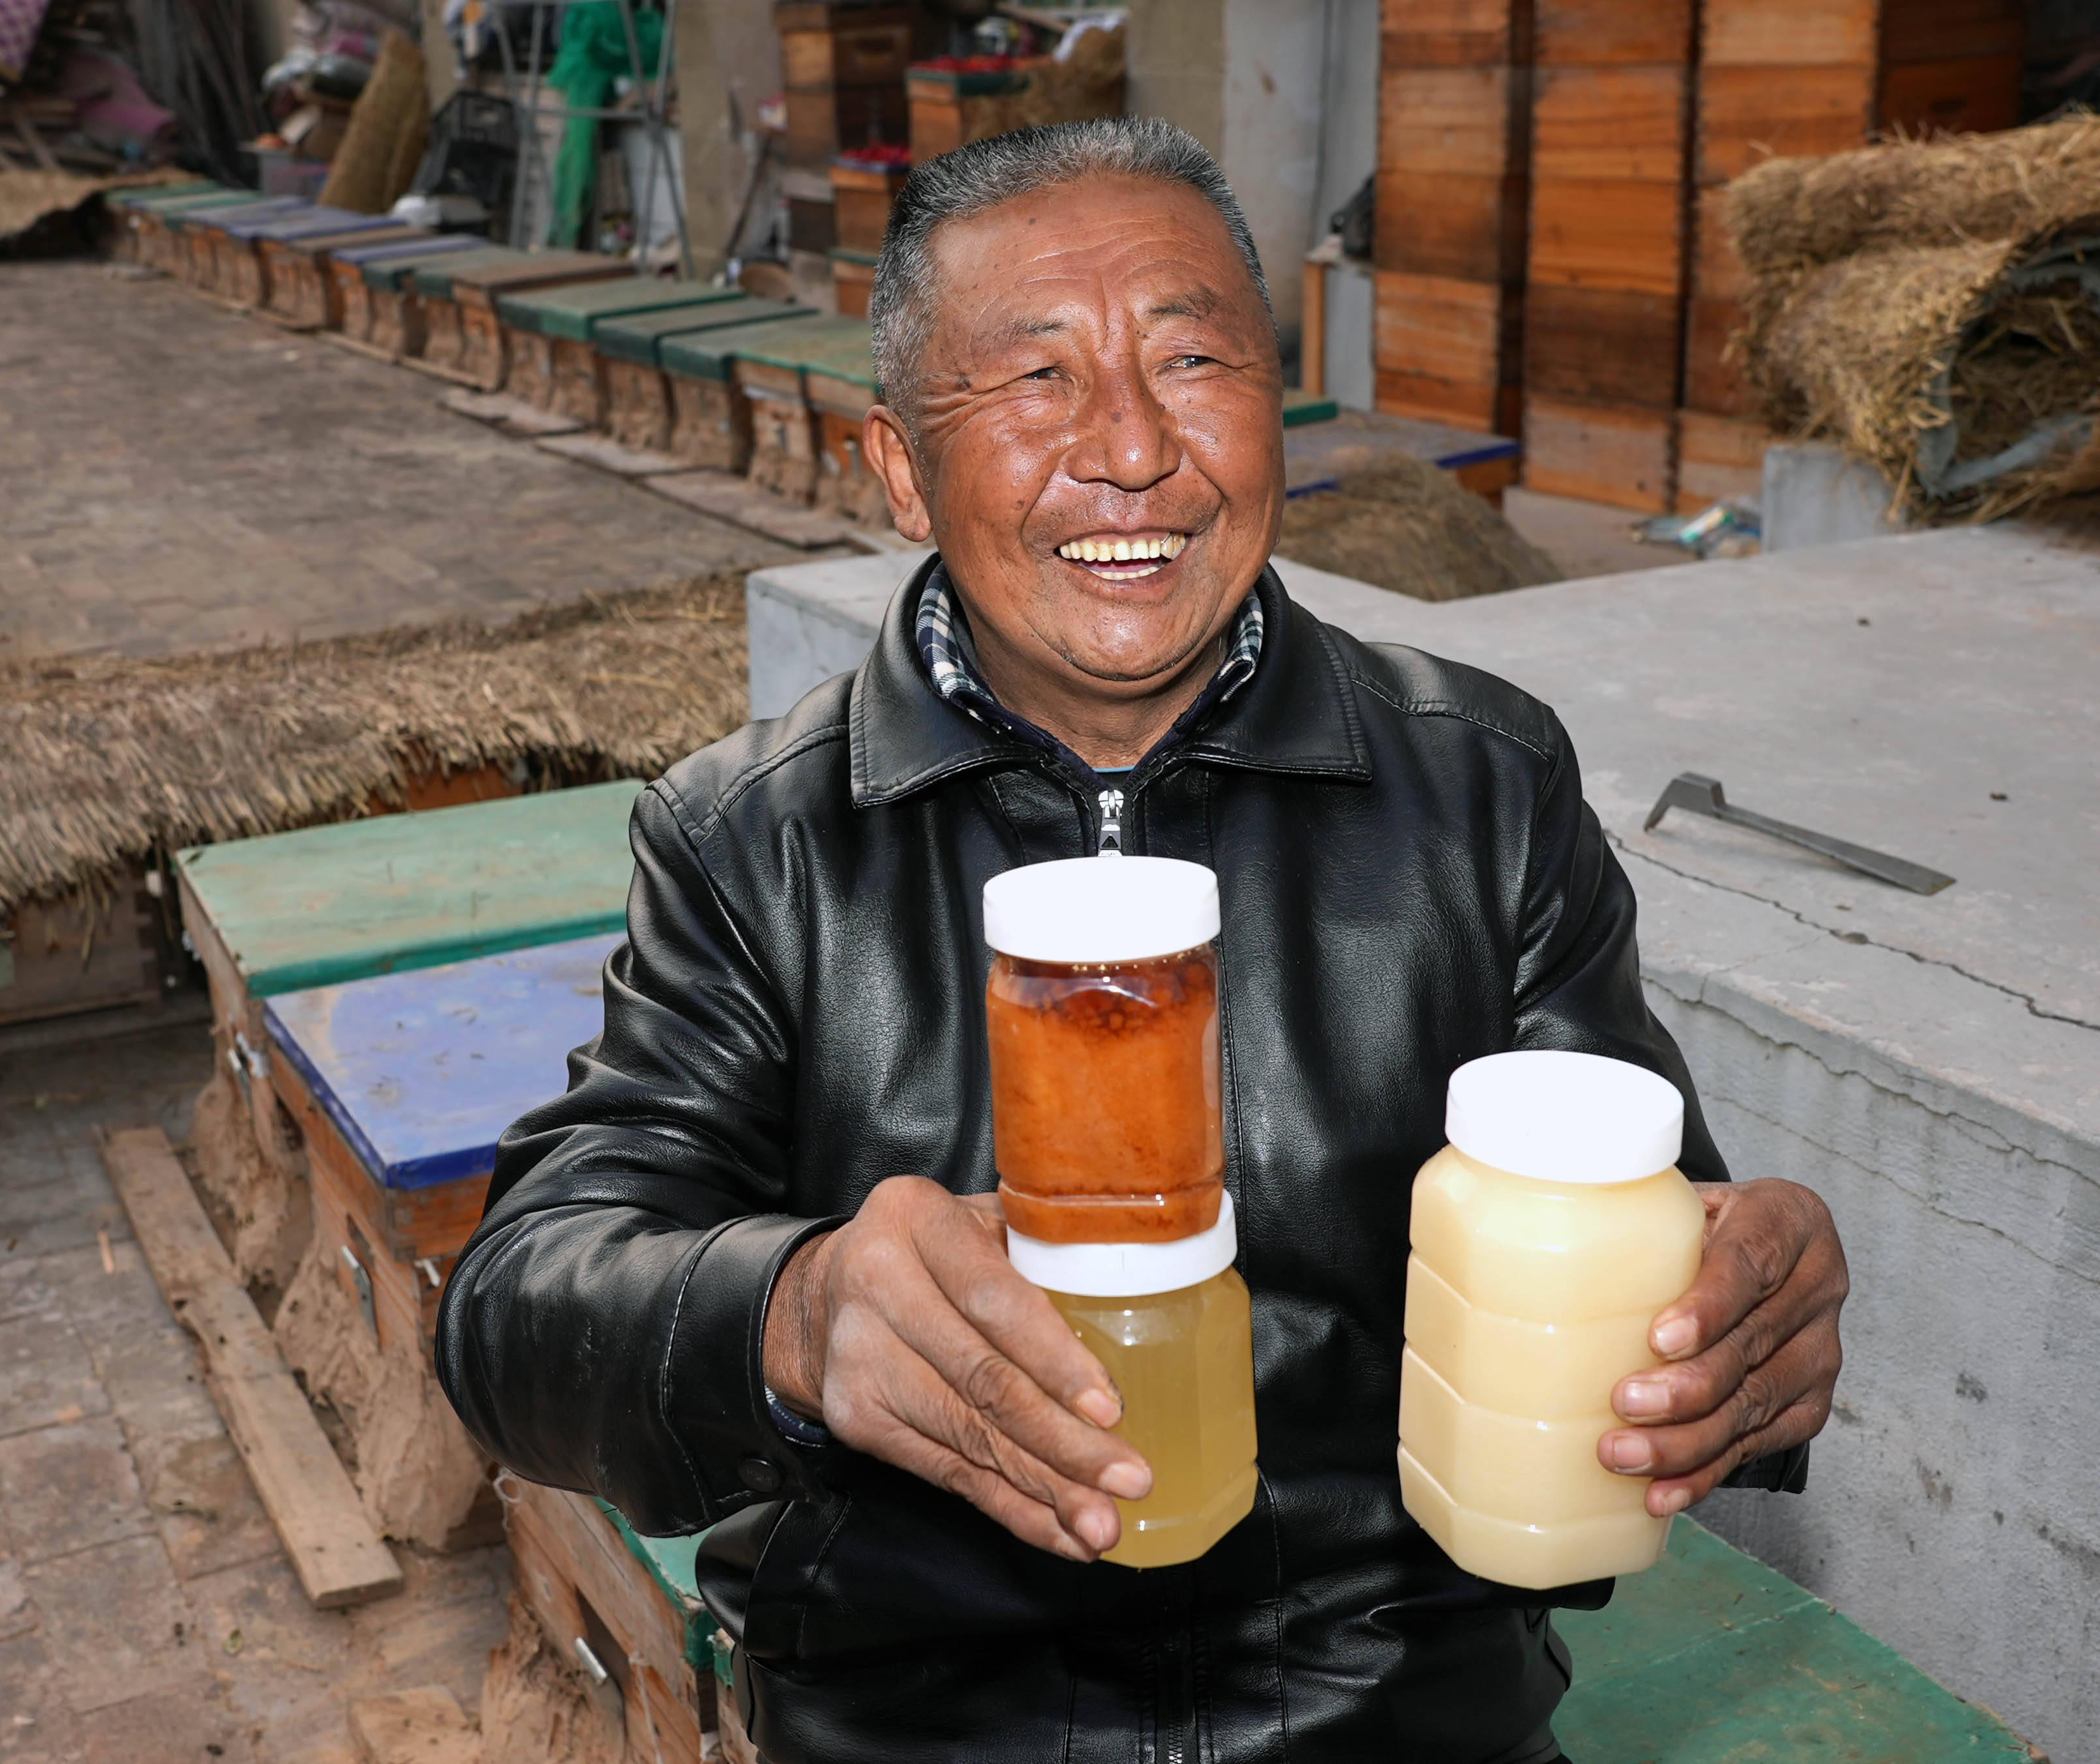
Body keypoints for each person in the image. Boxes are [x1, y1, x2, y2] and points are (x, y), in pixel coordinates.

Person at [437, 118, 1848, 1763]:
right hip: (925, 1730)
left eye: (1191, 360)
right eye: (1034, 380)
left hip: (1399, 1719)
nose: (1129, 449)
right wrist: (788, 1309)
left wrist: (1743, 1310)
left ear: (1275, 403)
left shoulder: (1481, 783)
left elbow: (1636, 1229)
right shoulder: (756, 838)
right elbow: (516, 1313)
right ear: (898, 465)